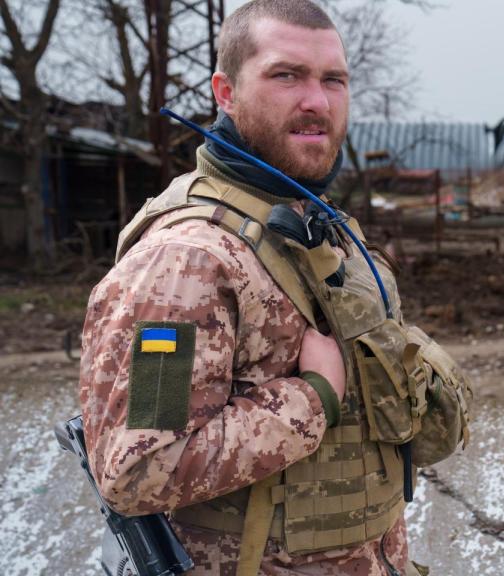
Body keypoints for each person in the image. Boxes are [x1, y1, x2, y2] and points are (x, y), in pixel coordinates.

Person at [77, 1, 470, 574]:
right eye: (287, 75)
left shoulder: (314, 222)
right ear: (226, 92)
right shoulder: (182, 262)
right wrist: (312, 397)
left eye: (333, 79)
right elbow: (137, 469)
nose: (317, 101)